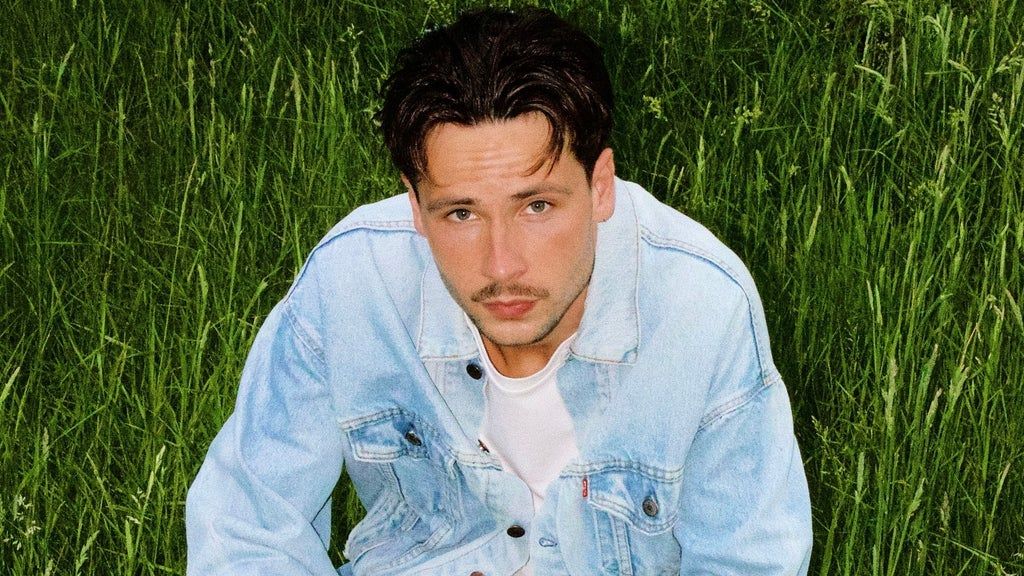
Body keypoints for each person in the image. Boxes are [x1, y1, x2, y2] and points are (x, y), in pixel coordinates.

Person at [186, 6, 812, 575]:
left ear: (600, 186)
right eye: (461, 214)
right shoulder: (352, 282)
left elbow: (748, 562)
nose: (501, 264)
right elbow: (246, 528)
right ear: (415, 204)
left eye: (536, 206)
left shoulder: (702, 306)